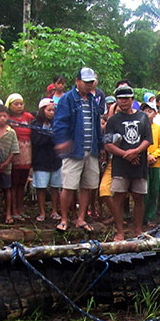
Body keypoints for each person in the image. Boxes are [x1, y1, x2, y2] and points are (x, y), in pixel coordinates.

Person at [54, 67, 104, 232]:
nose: (89, 85)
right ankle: (63, 219)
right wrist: (62, 141)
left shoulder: (92, 100)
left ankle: (81, 218)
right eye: (86, 82)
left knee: (87, 186)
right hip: (74, 150)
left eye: (91, 82)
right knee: (69, 186)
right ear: (77, 81)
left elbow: (97, 126)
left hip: (92, 149)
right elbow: (60, 123)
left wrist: (101, 146)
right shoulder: (67, 99)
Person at [104, 85, 152, 240]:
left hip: (140, 163)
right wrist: (126, 154)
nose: (123, 102)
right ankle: (120, 231)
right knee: (119, 197)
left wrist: (136, 151)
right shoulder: (113, 120)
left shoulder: (143, 117)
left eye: (126, 98)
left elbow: (147, 139)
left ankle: (138, 230)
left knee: (139, 197)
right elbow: (107, 144)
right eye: (120, 99)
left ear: (132, 99)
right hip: (120, 164)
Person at [31, 98, 63, 222]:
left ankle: (54, 210)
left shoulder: (57, 123)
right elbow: (36, 141)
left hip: (55, 159)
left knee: (55, 187)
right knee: (41, 187)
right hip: (41, 160)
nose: (52, 113)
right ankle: (42, 212)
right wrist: (48, 136)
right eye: (49, 110)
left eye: (53, 110)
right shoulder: (35, 124)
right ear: (42, 110)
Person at [5, 93, 34, 220]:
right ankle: (12, 210)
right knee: (13, 183)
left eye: (21, 103)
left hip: (27, 154)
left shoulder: (27, 117)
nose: (19, 106)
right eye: (15, 104)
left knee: (22, 183)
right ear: (9, 105)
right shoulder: (7, 118)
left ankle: (20, 209)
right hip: (14, 154)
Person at [0, 105, 19, 224]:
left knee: (7, 189)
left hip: (6, 166)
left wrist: (7, 162)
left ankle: (8, 213)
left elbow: (14, 150)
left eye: (4, 116)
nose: (2, 118)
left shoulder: (11, 132)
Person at [140, 101, 160, 225]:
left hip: (155, 164)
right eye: (145, 111)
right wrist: (146, 156)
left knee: (154, 190)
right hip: (142, 163)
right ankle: (141, 216)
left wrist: (153, 156)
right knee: (144, 191)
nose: (147, 113)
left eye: (150, 111)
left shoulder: (159, 129)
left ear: (155, 113)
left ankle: (151, 216)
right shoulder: (140, 127)